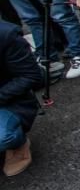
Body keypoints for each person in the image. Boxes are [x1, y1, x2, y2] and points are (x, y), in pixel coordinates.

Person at [0, 18, 43, 176]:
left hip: (8, 101)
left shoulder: (5, 35)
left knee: (3, 137)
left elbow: (31, 76)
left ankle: (18, 145)